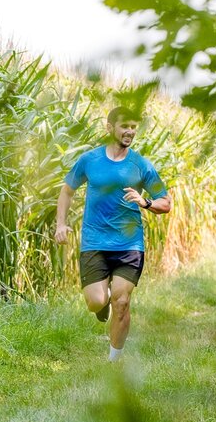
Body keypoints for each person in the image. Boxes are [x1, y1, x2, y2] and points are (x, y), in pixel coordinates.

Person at [55, 107, 171, 361]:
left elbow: (166, 201)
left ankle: (113, 361)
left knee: (122, 302)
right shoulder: (90, 160)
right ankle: (102, 304)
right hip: (94, 242)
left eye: (133, 126)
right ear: (109, 128)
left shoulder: (141, 165)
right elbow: (66, 191)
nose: (129, 131)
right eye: (124, 126)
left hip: (129, 244)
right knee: (97, 301)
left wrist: (146, 202)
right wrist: (60, 224)